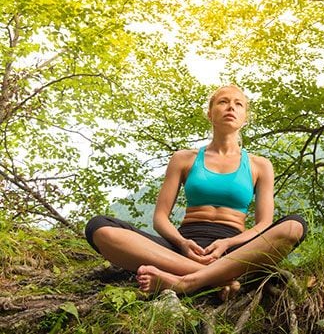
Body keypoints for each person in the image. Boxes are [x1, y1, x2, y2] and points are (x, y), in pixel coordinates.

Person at [85, 85, 307, 295]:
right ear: (210, 114)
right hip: (182, 246)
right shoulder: (183, 159)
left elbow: (264, 224)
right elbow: (160, 218)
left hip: (234, 250)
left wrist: (227, 243)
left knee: (293, 227)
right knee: (100, 229)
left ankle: (186, 281)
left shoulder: (260, 165)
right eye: (223, 102)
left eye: (239, 104)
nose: (231, 107)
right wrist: (182, 243)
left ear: (245, 118)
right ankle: (218, 278)